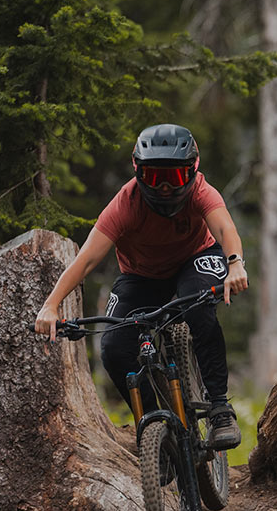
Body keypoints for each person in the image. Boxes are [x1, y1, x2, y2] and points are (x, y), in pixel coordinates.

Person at [34, 123, 247, 451]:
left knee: (201, 310)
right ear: (137, 172)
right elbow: (86, 260)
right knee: (114, 348)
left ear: (192, 170)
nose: (163, 187)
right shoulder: (126, 203)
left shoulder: (202, 192)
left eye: (173, 177)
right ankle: (155, 425)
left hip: (196, 259)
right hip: (142, 276)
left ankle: (219, 408)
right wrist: (51, 305)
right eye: (152, 176)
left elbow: (224, 227)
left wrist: (235, 263)